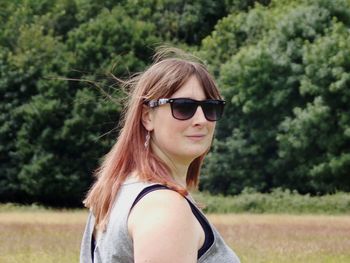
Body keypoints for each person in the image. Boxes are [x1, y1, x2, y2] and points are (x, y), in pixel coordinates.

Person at [80, 48, 240, 263]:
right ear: (147, 117)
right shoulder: (164, 207)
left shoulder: (120, 190)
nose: (201, 119)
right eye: (184, 107)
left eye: (211, 108)